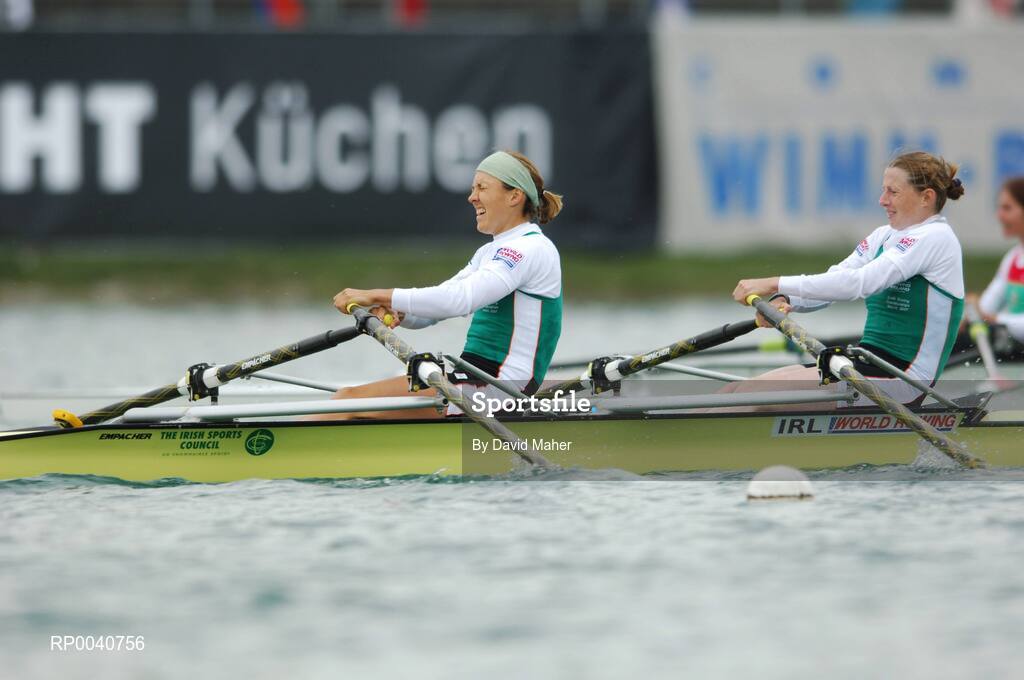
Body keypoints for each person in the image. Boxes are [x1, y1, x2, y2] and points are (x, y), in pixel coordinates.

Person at [321, 150, 564, 420]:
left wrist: (373, 294)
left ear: (514, 196)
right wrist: (401, 312)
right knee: (357, 397)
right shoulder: (491, 252)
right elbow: (442, 304)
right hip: (476, 380)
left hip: (499, 389)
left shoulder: (529, 249)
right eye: (473, 189)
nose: (472, 197)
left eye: (482, 188)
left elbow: (460, 299)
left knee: (347, 402)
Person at [729, 151, 966, 408]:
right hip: (867, 363)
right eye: (883, 190)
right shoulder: (884, 236)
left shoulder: (936, 238)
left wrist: (774, 282)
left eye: (892, 192)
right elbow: (837, 279)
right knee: (735, 389)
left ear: (926, 197)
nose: (882, 200)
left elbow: (859, 283)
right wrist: (786, 300)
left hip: (902, 381)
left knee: (752, 395)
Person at [967, 176, 1024, 346]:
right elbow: (986, 308)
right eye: (999, 208)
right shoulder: (1012, 258)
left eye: (1007, 208)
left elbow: (989, 317)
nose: (999, 215)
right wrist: (971, 314)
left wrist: (994, 319)